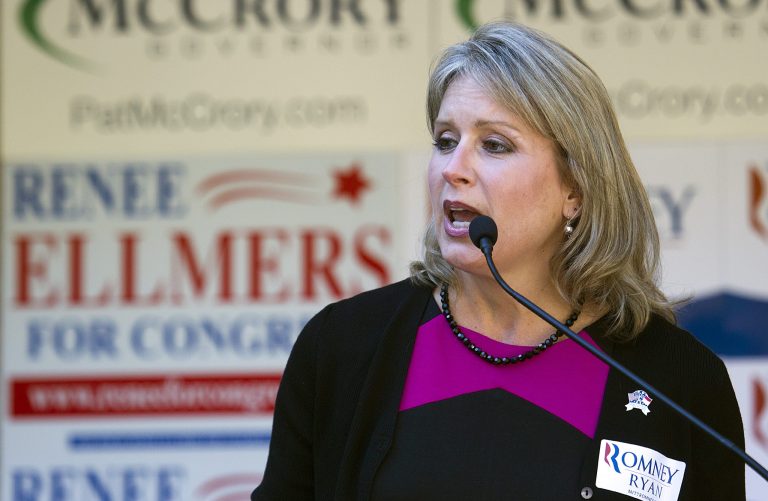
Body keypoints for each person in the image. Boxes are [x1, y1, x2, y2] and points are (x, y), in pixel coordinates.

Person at [251, 22, 745, 500]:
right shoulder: (343, 347)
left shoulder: (679, 380)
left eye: (494, 145)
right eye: (445, 141)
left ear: (575, 188)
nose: (453, 168)